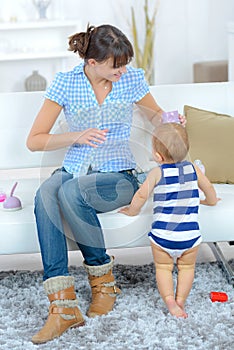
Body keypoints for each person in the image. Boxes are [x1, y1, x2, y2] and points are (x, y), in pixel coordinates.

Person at [27, 24, 185, 344]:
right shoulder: (66, 84)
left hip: (120, 174)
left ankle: (104, 283)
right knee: (45, 194)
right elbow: (35, 140)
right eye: (116, 65)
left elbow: (156, 116)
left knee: (72, 192)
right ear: (92, 62)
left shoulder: (131, 79)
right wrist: (76, 136)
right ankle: (62, 307)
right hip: (75, 166)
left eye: (125, 63)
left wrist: (171, 120)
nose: (122, 70)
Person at [120, 122, 219, 318]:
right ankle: (181, 300)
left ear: (157, 156)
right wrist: (210, 201)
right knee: (187, 267)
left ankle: (169, 300)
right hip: (190, 236)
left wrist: (131, 211)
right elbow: (208, 188)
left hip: (163, 236)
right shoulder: (193, 169)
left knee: (163, 268)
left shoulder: (157, 173)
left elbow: (141, 196)